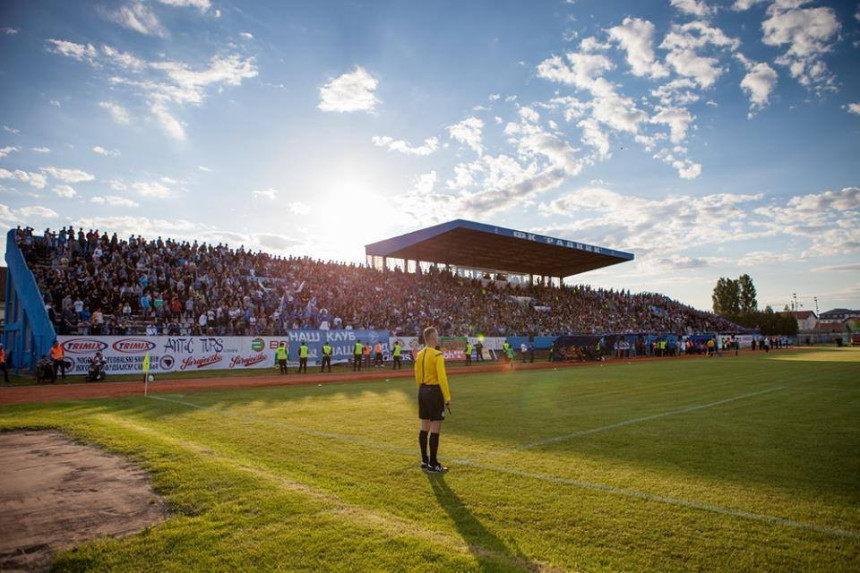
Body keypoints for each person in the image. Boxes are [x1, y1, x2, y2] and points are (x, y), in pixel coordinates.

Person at [415, 327, 450, 473]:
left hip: (422, 390)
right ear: (431, 338)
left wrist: (422, 389)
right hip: (434, 392)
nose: (438, 338)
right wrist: (447, 397)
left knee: (424, 427)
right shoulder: (437, 355)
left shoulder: (420, 354)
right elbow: (442, 378)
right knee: (435, 427)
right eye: (437, 335)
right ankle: (433, 464)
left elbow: (417, 375)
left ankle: (424, 460)